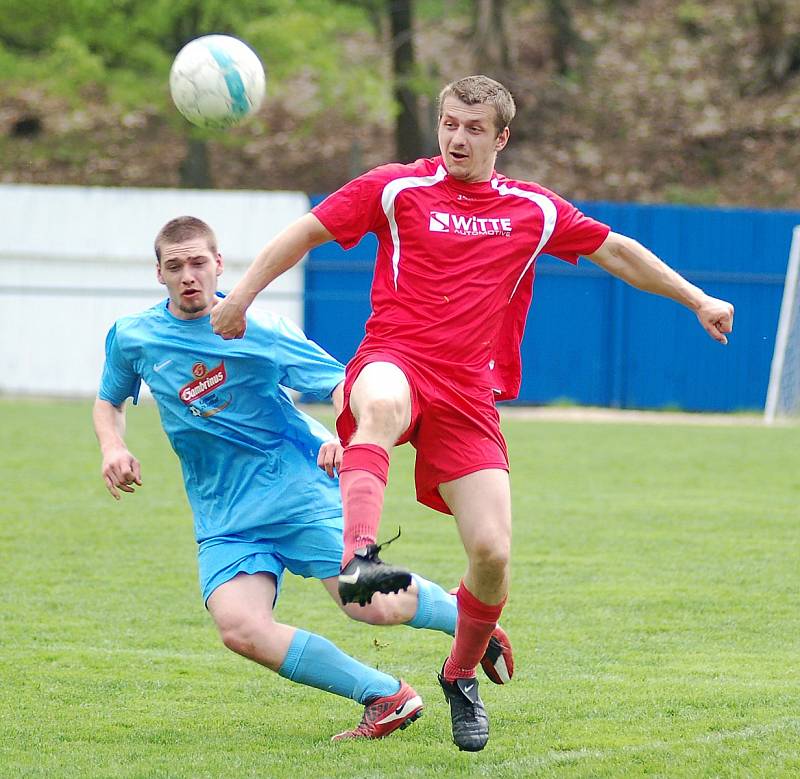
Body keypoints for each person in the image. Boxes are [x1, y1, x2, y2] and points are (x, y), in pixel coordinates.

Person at [209, 75, 735, 751]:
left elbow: (617, 251)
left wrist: (696, 299)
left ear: (501, 137)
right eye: (450, 123)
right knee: (379, 404)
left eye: (475, 128)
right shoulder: (396, 187)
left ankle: (459, 674)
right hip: (395, 355)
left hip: (468, 395)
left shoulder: (532, 209)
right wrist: (242, 297)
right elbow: (305, 232)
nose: (458, 137)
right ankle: (360, 554)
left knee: (492, 551)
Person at [92, 215, 514, 744]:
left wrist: (347, 430)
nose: (188, 276)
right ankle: (387, 696)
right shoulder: (134, 337)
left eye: (198, 262)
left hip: (297, 492)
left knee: (372, 604)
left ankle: (465, 615)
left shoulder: (259, 328)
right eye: (175, 266)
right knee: (241, 629)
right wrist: (114, 446)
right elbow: (109, 401)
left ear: (219, 265)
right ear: (159, 274)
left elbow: (341, 382)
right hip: (224, 515)